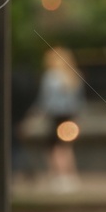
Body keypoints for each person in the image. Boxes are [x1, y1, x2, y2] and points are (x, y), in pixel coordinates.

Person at [33, 45, 84, 192]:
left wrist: (38, 112)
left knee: (54, 147)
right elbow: (79, 101)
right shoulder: (73, 75)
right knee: (66, 147)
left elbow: (45, 99)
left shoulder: (50, 76)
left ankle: (59, 176)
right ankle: (70, 176)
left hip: (55, 115)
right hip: (70, 116)